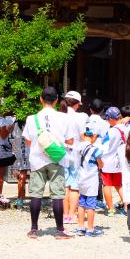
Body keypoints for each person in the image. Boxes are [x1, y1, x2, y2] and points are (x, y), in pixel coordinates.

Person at [22, 86, 74, 239]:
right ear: (57, 100)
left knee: (36, 193)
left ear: (40, 99)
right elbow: (70, 140)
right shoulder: (64, 118)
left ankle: (34, 229)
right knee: (57, 194)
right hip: (57, 159)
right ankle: (59, 230)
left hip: (38, 159)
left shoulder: (32, 118)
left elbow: (29, 142)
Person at [60, 90, 88, 224]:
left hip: (61, 152)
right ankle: (72, 215)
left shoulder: (58, 116)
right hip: (76, 152)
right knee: (75, 185)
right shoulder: (81, 116)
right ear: (77, 104)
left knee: (65, 184)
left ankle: (65, 215)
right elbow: (83, 137)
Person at [75, 126, 104, 237]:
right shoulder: (95, 149)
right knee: (91, 205)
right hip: (91, 179)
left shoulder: (78, 147)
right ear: (93, 137)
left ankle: (80, 228)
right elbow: (101, 164)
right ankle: (90, 229)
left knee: (81, 203)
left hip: (81, 178)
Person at [100, 106, 125, 216]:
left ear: (111, 118)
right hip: (119, 162)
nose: (107, 121)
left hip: (107, 161)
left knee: (106, 185)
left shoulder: (111, 131)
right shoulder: (126, 128)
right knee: (119, 185)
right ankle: (127, 206)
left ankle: (111, 209)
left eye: (107, 119)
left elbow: (103, 146)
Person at [87, 98, 109, 210]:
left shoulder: (86, 121)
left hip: (87, 150)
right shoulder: (105, 123)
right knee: (99, 175)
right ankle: (98, 199)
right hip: (100, 151)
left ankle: (86, 198)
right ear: (102, 110)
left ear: (90, 109)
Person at [11, 121, 29, 209]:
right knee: (24, 177)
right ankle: (21, 199)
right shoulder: (30, 122)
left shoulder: (15, 124)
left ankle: (20, 199)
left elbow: (13, 139)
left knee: (21, 177)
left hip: (19, 153)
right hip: (29, 153)